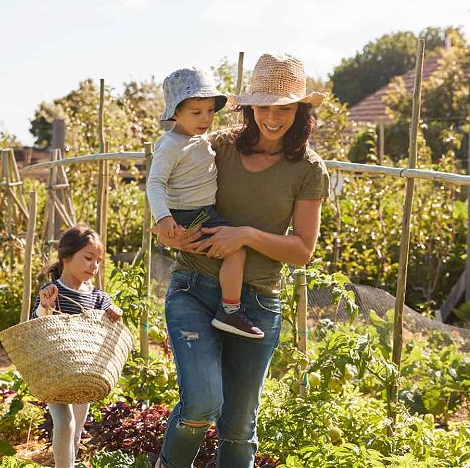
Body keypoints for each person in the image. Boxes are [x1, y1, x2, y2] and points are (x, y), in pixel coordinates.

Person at [154, 54, 329, 468]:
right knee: (200, 405)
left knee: (238, 428)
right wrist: (171, 231)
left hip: (257, 302)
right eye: (263, 106)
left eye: (284, 107)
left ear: (299, 110)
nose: (272, 117)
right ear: (249, 108)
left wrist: (246, 235)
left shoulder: (307, 168)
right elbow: (168, 192)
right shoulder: (218, 147)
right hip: (195, 289)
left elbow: (303, 251)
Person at [147, 67, 263, 339]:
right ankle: (230, 311)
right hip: (191, 214)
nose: (206, 118)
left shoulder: (197, 139)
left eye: (210, 111)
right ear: (175, 113)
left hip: (202, 212)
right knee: (236, 251)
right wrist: (163, 218)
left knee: (229, 247)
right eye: (196, 113)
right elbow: (155, 183)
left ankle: (227, 308)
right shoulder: (170, 145)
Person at [31, 225, 124, 468]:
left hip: (85, 374)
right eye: (88, 258)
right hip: (57, 372)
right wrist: (46, 306)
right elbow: (37, 326)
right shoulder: (52, 292)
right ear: (66, 257)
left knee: (76, 429)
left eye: (98, 260)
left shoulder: (98, 297)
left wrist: (115, 312)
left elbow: (111, 318)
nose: (94, 265)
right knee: (64, 422)